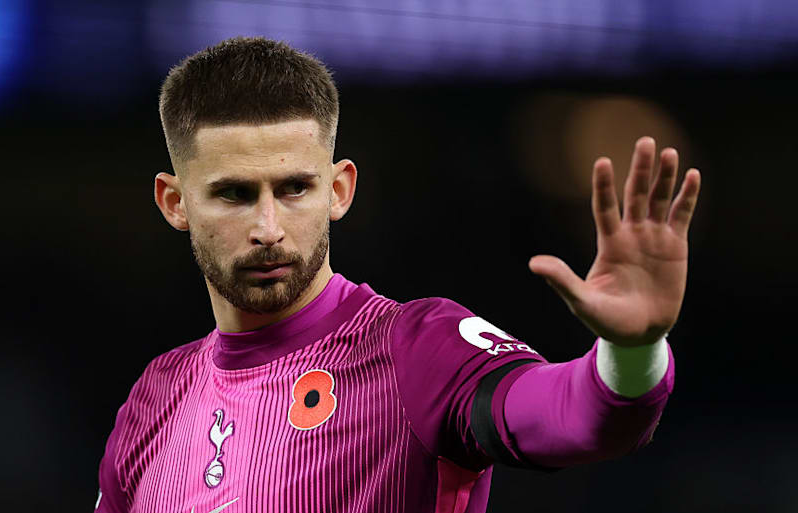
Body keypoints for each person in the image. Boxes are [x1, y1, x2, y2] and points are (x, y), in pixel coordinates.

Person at [95, 36, 701, 513]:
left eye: (294, 189)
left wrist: (633, 347)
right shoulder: (156, 400)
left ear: (338, 190)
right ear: (175, 202)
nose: (268, 227)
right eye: (233, 194)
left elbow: (574, 417)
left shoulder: (413, 347)